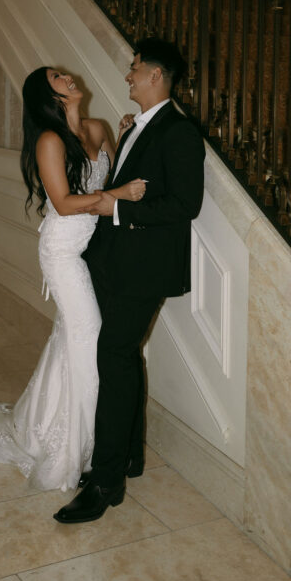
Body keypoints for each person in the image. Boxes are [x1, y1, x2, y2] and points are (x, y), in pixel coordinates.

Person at [0, 65, 146, 491]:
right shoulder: (50, 141)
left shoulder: (97, 126)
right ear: (48, 94)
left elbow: (118, 176)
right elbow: (66, 202)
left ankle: (52, 424)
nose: (68, 76)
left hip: (90, 247)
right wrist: (116, 197)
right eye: (58, 76)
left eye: (65, 73)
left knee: (74, 339)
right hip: (62, 251)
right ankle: (79, 449)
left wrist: (127, 135)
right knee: (89, 336)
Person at [54, 38, 205, 523]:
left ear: (157, 76)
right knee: (121, 356)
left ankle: (106, 481)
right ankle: (130, 458)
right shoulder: (141, 126)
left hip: (143, 269)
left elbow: (185, 205)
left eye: (135, 68)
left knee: (114, 357)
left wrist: (115, 206)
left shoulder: (179, 131)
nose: (128, 76)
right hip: (116, 262)